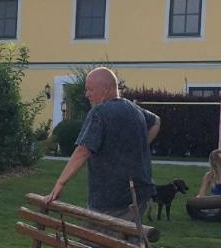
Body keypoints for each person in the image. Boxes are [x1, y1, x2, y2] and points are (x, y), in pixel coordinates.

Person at [44, 66, 160, 220]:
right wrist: (140, 145)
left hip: (111, 200)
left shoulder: (100, 112)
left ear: (105, 89)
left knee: (96, 242)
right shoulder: (134, 109)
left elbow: (83, 151)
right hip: (140, 195)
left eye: (90, 90)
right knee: (129, 240)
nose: (87, 94)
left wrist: (60, 183)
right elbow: (156, 121)